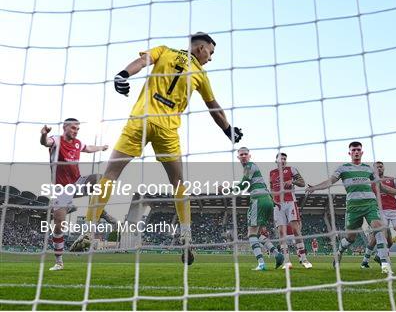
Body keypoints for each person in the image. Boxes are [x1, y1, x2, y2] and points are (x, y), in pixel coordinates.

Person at [70, 33, 243, 266]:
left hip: (140, 121)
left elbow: (141, 62)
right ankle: (186, 234)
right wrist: (228, 129)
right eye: (210, 53)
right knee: (178, 183)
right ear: (200, 48)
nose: (210, 58)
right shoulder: (200, 74)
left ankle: (89, 232)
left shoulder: (165, 50)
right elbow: (214, 107)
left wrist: (122, 75)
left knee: (110, 175)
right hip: (167, 130)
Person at [306, 141, 396, 274]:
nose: (356, 152)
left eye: (358, 150)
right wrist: (315, 187)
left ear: (362, 152)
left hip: (370, 205)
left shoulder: (369, 169)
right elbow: (330, 181)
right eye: (354, 150)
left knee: (379, 229)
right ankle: (339, 252)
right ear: (350, 153)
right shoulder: (343, 168)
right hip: (353, 207)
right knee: (350, 239)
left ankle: (385, 265)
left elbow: (381, 187)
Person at [40, 118, 109, 271]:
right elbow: (45, 142)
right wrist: (44, 134)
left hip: (78, 182)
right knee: (59, 226)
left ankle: (100, 211)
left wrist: (101, 147)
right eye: (73, 128)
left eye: (77, 129)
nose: (76, 131)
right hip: (62, 189)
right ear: (65, 127)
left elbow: (88, 148)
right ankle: (59, 262)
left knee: (99, 179)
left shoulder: (77, 143)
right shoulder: (56, 141)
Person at [236, 147, 284, 271]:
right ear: (238, 157)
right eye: (241, 154)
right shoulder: (254, 168)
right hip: (267, 200)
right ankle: (277, 254)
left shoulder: (249, 166)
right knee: (258, 234)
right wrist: (272, 201)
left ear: (249, 155)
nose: (243, 156)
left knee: (251, 233)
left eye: (245, 154)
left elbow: (243, 184)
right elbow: (263, 185)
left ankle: (261, 263)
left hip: (258, 200)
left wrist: (226, 190)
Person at [362, 161, 396, 270]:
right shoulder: (370, 183)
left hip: (394, 210)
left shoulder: (392, 179)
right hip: (380, 212)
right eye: (377, 167)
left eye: (381, 166)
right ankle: (385, 266)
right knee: (383, 238)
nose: (379, 168)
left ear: (384, 168)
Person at [269, 152, 312, 269]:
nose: (283, 160)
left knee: (296, 230)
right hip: (278, 205)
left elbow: (302, 183)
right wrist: (273, 200)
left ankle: (304, 259)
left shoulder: (291, 169)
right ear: (276, 160)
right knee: (281, 233)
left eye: (284, 159)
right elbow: (271, 188)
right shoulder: (272, 173)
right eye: (280, 158)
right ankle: (287, 262)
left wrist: (292, 182)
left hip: (290, 203)